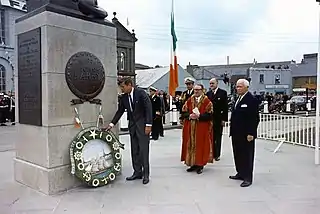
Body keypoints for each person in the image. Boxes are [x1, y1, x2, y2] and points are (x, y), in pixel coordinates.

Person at [103, 77, 153, 185]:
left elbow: (148, 109)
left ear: (130, 85)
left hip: (143, 126)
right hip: (133, 126)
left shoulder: (141, 93)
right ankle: (137, 172)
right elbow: (120, 111)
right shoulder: (124, 97)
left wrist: (149, 125)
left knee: (143, 150)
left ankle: (146, 174)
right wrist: (111, 124)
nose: (122, 89)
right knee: (134, 150)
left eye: (123, 87)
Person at [229, 79, 260, 187]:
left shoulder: (251, 100)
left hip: (246, 134)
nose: (238, 89)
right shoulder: (238, 99)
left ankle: (248, 177)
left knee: (247, 155)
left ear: (247, 87)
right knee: (238, 154)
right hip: (236, 133)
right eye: (237, 87)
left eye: (240, 86)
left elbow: (254, 118)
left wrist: (251, 133)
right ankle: (240, 173)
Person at [180, 84, 214, 174]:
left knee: (200, 146)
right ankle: (192, 163)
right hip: (190, 127)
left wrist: (199, 116)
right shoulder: (189, 100)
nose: (196, 91)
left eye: (198, 90)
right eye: (195, 90)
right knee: (190, 145)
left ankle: (200, 164)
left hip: (201, 127)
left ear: (202, 90)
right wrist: (189, 116)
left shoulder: (207, 101)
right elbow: (183, 112)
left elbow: (210, 115)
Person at [206, 78, 228, 161]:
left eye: (213, 83)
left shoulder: (222, 93)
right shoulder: (208, 94)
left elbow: (225, 107)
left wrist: (224, 119)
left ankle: (217, 154)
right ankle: (211, 153)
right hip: (210, 119)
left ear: (217, 83)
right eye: (210, 83)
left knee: (218, 137)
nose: (211, 85)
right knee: (210, 137)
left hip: (219, 119)